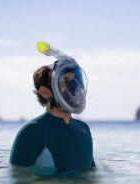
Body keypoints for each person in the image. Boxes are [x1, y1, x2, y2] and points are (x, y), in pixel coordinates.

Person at [9, 42, 95, 175]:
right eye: (66, 82)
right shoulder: (31, 131)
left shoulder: (83, 129)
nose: (74, 89)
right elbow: (18, 180)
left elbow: (92, 173)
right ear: (45, 92)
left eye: (75, 81)